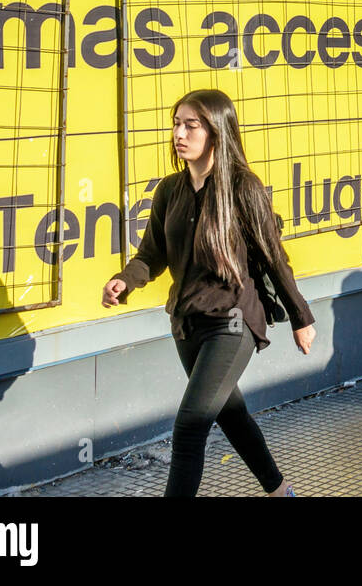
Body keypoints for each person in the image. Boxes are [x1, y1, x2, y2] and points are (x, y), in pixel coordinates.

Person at [102, 89, 316, 497]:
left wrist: (301, 318)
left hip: (232, 323)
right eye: (176, 124)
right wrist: (126, 280)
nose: (179, 134)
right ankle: (280, 491)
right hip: (186, 324)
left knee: (189, 426)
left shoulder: (243, 188)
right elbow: (151, 254)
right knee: (230, 415)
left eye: (191, 125)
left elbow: (274, 258)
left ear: (216, 132)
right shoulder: (170, 190)